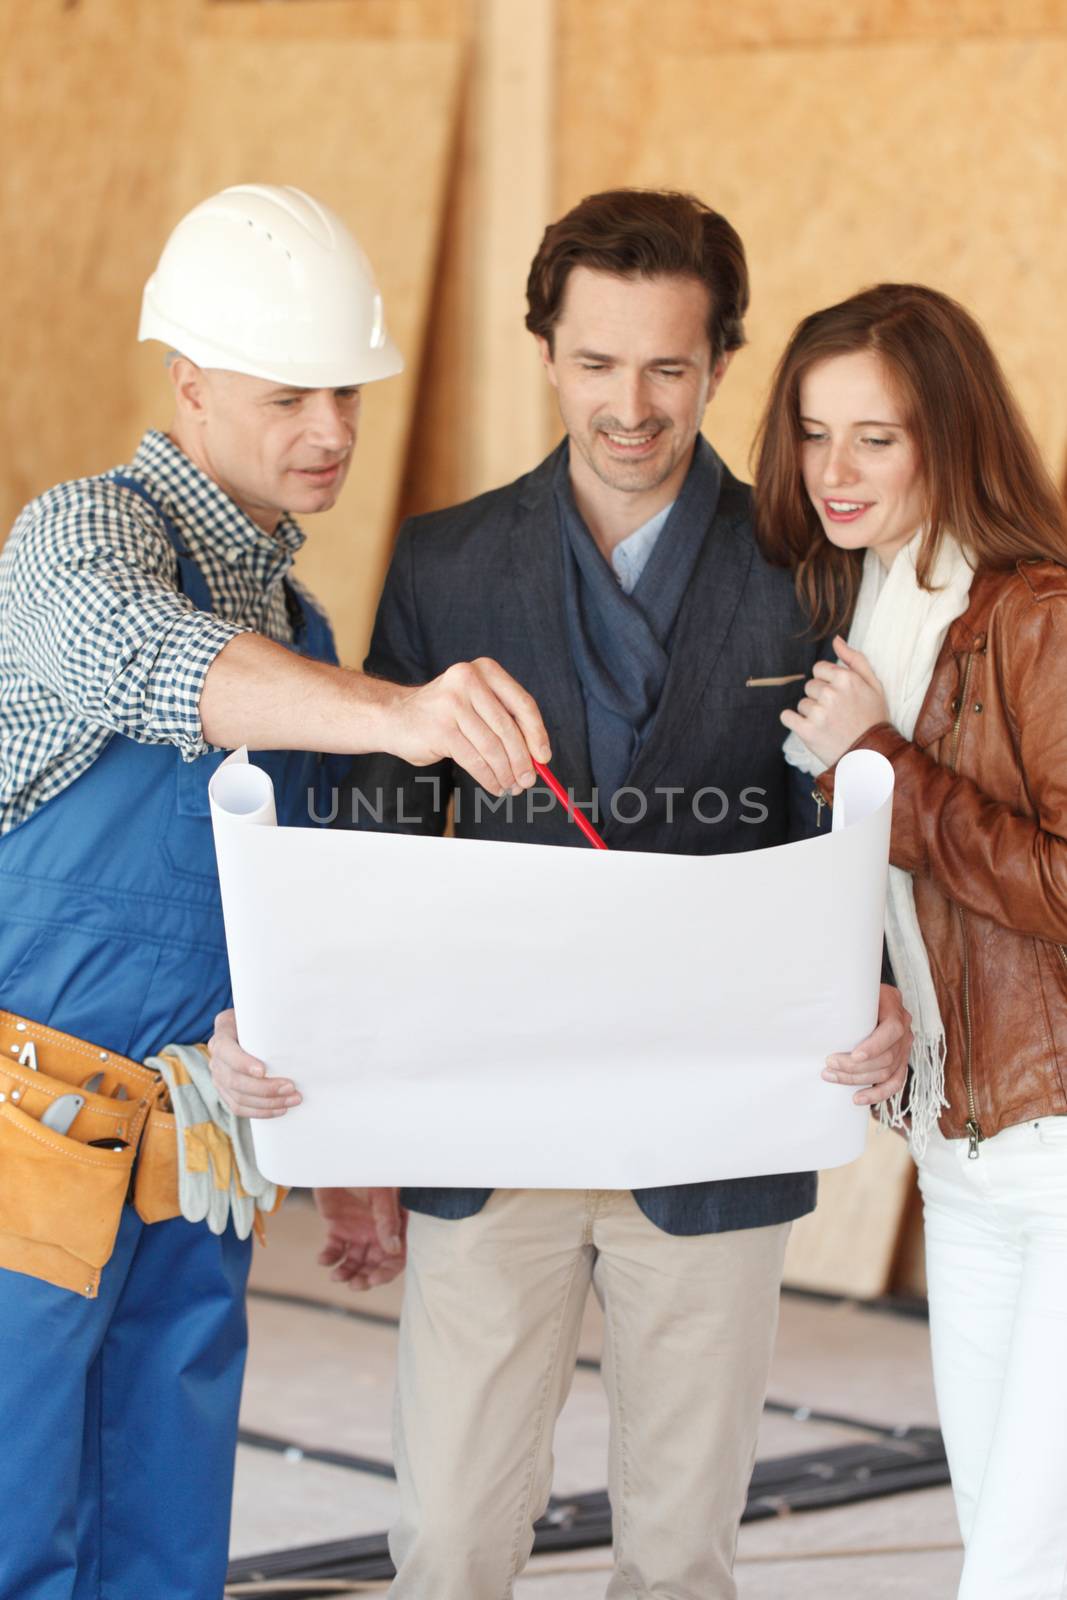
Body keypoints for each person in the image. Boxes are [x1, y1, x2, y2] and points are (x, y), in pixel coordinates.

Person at [210, 189, 912, 1600]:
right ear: (547, 353)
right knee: (453, 1540)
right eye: (597, 362)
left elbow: (863, 828)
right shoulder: (448, 561)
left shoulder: (811, 564)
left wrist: (891, 986)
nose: (632, 405)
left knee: (678, 1553)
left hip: (722, 1124)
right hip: (492, 1120)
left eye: (667, 365)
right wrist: (339, 1105)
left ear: (722, 365)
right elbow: (379, 857)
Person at [0, 182, 549, 1600]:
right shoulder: (79, 541)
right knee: (11, 1521)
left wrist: (344, 1142)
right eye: (291, 395)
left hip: (194, 1160)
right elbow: (147, 659)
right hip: (25, 1151)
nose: (333, 432)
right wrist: (397, 714)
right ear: (189, 389)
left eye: (349, 395)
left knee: (168, 1539)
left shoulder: (295, 633)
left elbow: (290, 924)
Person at [754, 281, 1067, 1600]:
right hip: (961, 1154)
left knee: (1012, 1564)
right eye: (815, 433)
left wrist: (879, 759)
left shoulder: (1038, 613)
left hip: (1059, 1143)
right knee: (1003, 1529)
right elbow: (899, 894)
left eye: (874, 436)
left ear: (947, 432)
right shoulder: (868, 612)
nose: (835, 470)